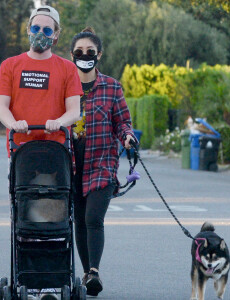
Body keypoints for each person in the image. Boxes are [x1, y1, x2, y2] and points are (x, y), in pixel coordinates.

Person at [0, 5, 83, 300]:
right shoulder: (10, 65)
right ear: (28, 30)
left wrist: (60, 121)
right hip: (23, 150)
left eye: (47, 30)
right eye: (36, 29)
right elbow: (1, 106)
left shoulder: (67, 69)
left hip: (56, 151)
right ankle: (28, 275)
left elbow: (75, 110)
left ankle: (54, 275)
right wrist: (13, 124)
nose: (40, 35)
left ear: (56, 35)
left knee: (55, 213)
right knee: (26, 211)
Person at [70, 27, 137, 297]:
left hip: (102, 165)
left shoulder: (112, 86)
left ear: (99, 54)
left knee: (93, 218)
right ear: (71, 54)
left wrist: (129, 137)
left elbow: (123, 122)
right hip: (71, 165)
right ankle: (87, 274)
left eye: (90, 52)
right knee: (79, 221)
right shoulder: (64, 85)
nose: (84, 56)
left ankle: (94, 271)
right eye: (79, 52)